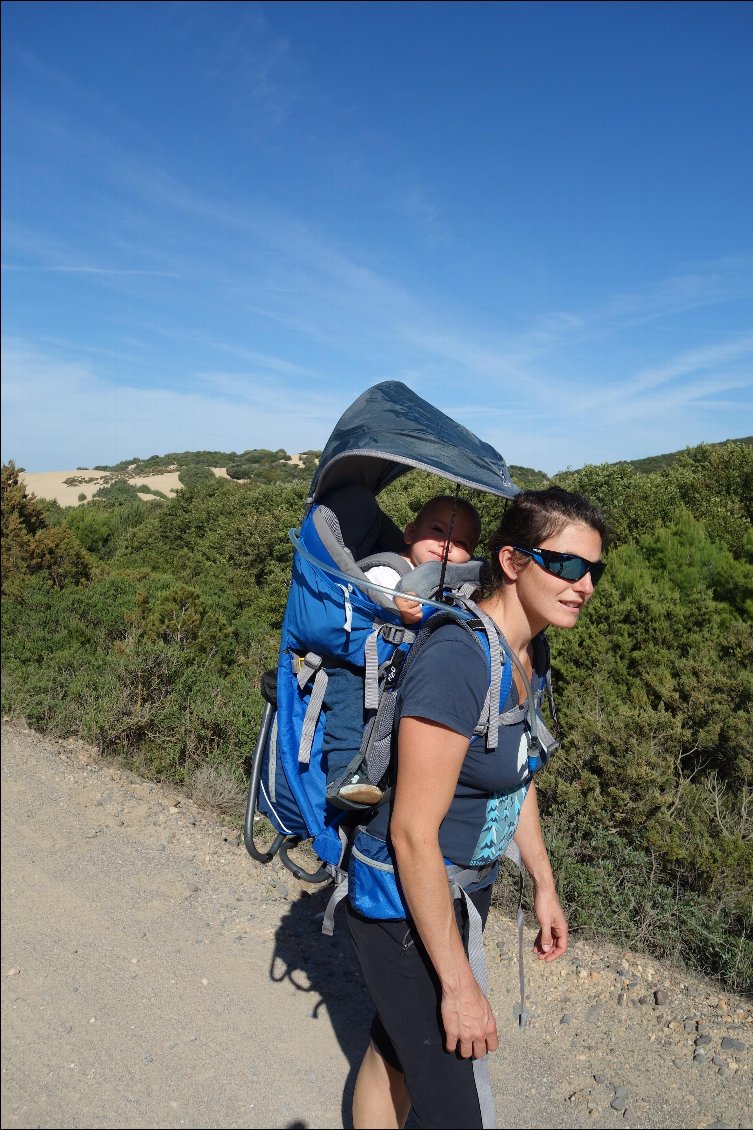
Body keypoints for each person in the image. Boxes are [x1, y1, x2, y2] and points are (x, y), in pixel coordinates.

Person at [344, 486, 608, 1129]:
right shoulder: (458, 658)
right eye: (566, 564)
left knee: (397, 1049)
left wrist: (543, 882)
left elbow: (516, 775)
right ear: (513, 562)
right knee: (454, 1103)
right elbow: (411, 833)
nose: (584, 584)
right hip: (405, 899)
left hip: (467, 886)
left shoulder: (528, 651)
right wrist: (461, 987)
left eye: (594, 570)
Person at [325, 495, 482, 806]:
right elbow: (361, 606)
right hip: (358, 663)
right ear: (410, 533)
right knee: (347, 701)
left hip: (400, 672)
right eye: (437, 530)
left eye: (461, 541)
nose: (447, 545)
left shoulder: (452, 588)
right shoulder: (389, 571)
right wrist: (395, 608)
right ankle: (344, 774)